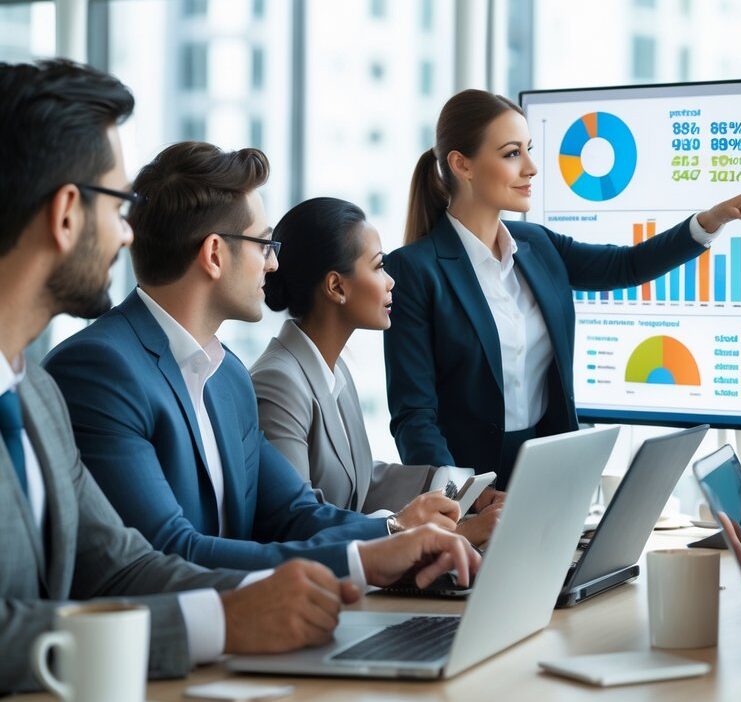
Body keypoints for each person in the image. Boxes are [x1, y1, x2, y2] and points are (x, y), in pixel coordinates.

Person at [0, 59, 477, 693]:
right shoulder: (90, 371)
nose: (125, 231)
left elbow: (122, 566)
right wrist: (226, 621)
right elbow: (167, 550)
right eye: (118, 205)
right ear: (65, 214)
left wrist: (374, 552)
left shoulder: (35, 388)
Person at [43, 141, 476, 582]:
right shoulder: (102, 370)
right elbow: (169, 551)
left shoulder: (228, 375)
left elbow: (292, 512)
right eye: (264, 244)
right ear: (214, 254)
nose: (272, 264)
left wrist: (394, 532)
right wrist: (365, 559)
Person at [385, 89, 741, 487]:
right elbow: (414, 417)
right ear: (462, 165)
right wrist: (463, 498)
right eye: (511, 153)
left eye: (529, 149)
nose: (531, 168)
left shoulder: (537, 245)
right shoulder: (415, 271)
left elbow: (624, 266)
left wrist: (709, 221)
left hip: (548, 476)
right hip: (465, 488)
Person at [252, 197, 502, 544]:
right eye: (378, 266)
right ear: (337, 286)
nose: (390, 282)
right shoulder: (278, 382)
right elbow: (297, 521)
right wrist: (459, 531)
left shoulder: (335, 368)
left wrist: (467, 494)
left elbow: (362, 481)